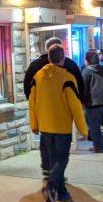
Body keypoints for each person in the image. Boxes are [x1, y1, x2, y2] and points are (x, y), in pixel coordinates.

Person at [29, 45, 88, 202]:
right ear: (63, 59)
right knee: (62, 161)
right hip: (62, 129)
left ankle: (62, 193)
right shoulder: (67, 78)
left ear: (48, 58)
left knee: (55, 161)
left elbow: (31, 103)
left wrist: (34, 124)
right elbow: (75, 106)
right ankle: (51, 187)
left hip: (45, 129)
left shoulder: (37, 77)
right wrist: (83, 130)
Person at [24, 37, 84, 178]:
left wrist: (35, 105)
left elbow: (28, 88)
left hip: (43, 113)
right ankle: (57, 178)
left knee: (46, 143)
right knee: (60, 148)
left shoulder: (35, 66)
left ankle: (47, 168)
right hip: (62, 116)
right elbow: (79, 87)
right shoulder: (69, 64)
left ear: (47, 49)